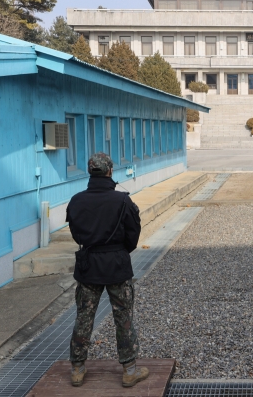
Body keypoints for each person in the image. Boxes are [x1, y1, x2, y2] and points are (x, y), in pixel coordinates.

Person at [66, 152, 148, 388]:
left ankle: (77, 369)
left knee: (84, 316)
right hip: (117, 265)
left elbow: (75, 234)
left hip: (88, 264)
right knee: (123, 318)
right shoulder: (123, 201)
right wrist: (119, 250)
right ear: (110, 172)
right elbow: (133, 235)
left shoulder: (76, 200)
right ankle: (129, 371)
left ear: (90, 172)